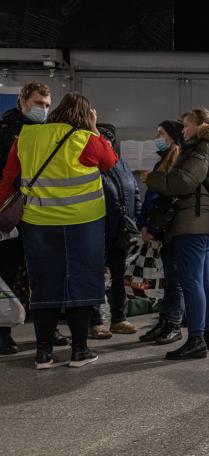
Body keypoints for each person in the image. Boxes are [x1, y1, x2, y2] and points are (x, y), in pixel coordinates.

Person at [0, 92, 118, 368]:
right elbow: (111, 161)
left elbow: (8, 177)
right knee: (81, 284)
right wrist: (93, 128)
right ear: (87, 115)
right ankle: (79, 351)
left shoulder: (26, 137)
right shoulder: (87, 140)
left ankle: (43, 353)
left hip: (39, 224)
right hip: (84, 225)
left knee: (43, 285)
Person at [145, 108, 209, 360]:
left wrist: (152, 178)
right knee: (202, 279)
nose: (182, 130)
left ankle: (196, 339)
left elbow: (183, 182)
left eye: (186, 125)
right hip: (204, 222)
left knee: (191, 282)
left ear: (200, 126)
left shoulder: (202, 148)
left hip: (192, 222)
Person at [0, 81, 71, 354]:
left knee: (40, 273)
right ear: (22, 102)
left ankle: (47, 327)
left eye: (46, 105)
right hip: (12, 210)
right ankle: (3, 331)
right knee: (6, 271)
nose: (43, 109)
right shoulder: (5, 132)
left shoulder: (47, 132)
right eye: (38, 104)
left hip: (40, 212)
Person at [87, 123, 141, 339]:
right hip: (96, 230)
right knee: (94, 277)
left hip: (120, 231)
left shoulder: (121, 164)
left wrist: (134, 217)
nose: (104, 145)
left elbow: (134, 191)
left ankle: (119, 319)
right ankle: (95, 322)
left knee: (119, 277)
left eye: (107, 141)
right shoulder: (90, 163)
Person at [138, 120, 186, 345]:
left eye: (161, 134)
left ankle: (174, 323)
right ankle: (165, 321)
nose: (156, 138)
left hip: (170, 231)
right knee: (167, 280)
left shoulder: (175, 162)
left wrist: (153, 228)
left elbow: (165, 200)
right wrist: (144, 225)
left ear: (173, 137)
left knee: (173, 281)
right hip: (160, 230)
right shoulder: (163, 162)